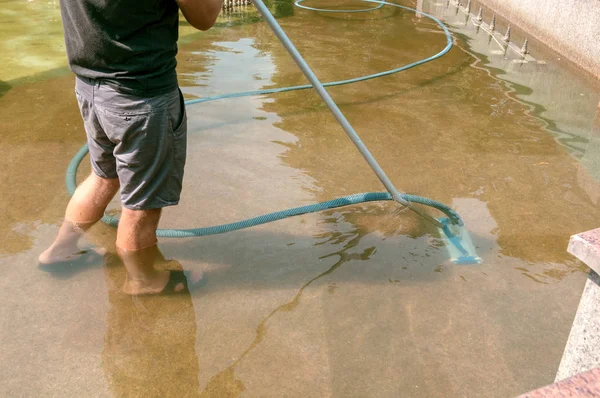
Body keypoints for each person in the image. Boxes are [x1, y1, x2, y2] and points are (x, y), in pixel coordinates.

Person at [38, 0, 223, 295]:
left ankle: (60, 251)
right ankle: (145, 281)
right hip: (139, 95)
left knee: (103, 176)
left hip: (90, 84)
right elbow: (205, 16)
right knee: (142, 203)